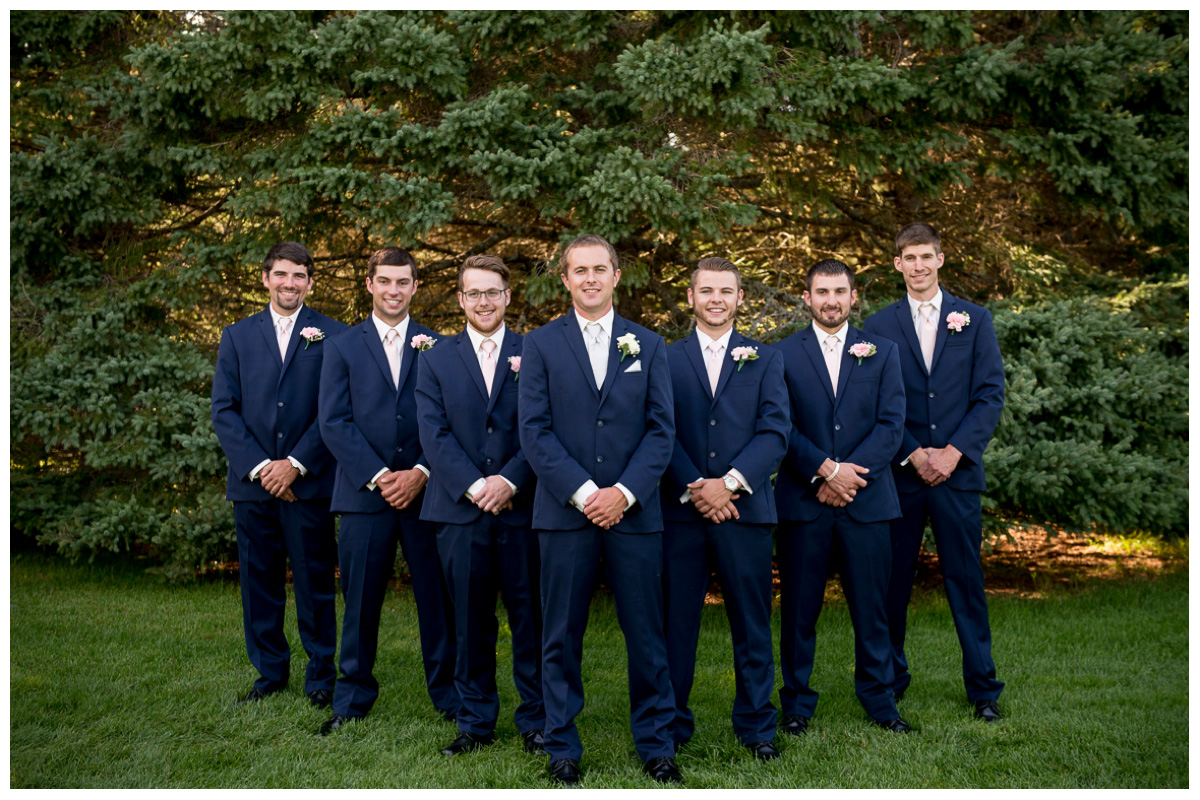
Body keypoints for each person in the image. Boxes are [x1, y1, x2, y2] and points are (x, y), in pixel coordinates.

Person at [517, 234, 680, 785]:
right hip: (565, 515)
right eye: (578, 270)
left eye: (599, 269)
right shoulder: (539, 345)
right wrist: (587, 494)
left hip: (635, 516)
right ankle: (562, 744)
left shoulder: (649, 344)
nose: (589, 279)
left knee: (646, 633)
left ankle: (656, 743)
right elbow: (534, 432)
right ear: (565, 279)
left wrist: (624, 493)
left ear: (616, 276)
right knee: (560, 634)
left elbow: (662, 432)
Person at [862, 222, 1006, 721]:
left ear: (940, 259)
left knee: (964, 580)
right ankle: (892, 679)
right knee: (892, 583)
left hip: (957, 476)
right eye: (909, 258)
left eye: (927, 256)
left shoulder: (975, 318)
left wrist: (952, 453)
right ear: (897, 263)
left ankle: (983, 688)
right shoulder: (877, 327)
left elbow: (990, 395)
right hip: (900, 477)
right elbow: (873, 403)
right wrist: (914, 453)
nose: (919, 266)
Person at [316, 247, 458, 734]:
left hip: (427, 493)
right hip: (364, 496)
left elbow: (447, 422)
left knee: (437, 599)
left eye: (404, 282)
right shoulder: (341, 346)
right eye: (385, 282)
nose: (394, 290)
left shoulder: (440, 346)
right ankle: (351, 697)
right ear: (370, 285)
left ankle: (449, 694)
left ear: (416, 286)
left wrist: (420, 471)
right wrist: (380, 477)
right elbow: (333, 421)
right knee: (359, 600)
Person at [773, 259, 911, 734]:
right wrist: (825, 471)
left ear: (854, 297)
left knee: (873, 609)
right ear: (806, 298)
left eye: (839, 292)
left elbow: (893, 424)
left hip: (867, 502)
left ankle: (881, 700)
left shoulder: (883, 352)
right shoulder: (782, 355)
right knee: (798, 610)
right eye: (821, 292)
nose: (831, 300)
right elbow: (780, 427)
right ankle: (795, 703)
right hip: (804, 503)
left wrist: (850, 476)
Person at [415, 255, 545, 756]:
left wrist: (509, 480)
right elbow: (434, 433)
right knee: (468, 621)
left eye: (493, 292)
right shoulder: (436, 359)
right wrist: (475, 486)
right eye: (474, 293)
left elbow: (543, 426)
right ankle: (475, 720)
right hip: (459, 512)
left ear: (508, 297)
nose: (484, 302)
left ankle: (536, 718)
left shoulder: (535, 351)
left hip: (523, 509)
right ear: (461, 299)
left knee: (529, 617)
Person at [659, 257, 789, 760]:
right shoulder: (663, 358)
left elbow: (775, 431)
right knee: (675, 626)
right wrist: (696, 486)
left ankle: (757, 727)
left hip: (745, 513)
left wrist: (730, 484)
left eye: (726, 291)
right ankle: (670, 724)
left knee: (753, 624)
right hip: (681, 516)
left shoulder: (765, 357)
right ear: (690, 297)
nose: (716, 299)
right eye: (706, 290)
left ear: (740, 299)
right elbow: (658, 429)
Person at [212, 241, 345, 708]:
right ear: (266, 277)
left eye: (300, 276)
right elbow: (224, 410)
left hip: (307, 483)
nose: (290, 283)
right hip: (251, 486)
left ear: (310, 282)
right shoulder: (237, 336)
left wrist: (294, 465)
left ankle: (321, 675)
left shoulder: (333, 335)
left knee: (314, 582)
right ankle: (269, 672)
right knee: (259, 581)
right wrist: (263, 468)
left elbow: (334, 411)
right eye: (282, 274)